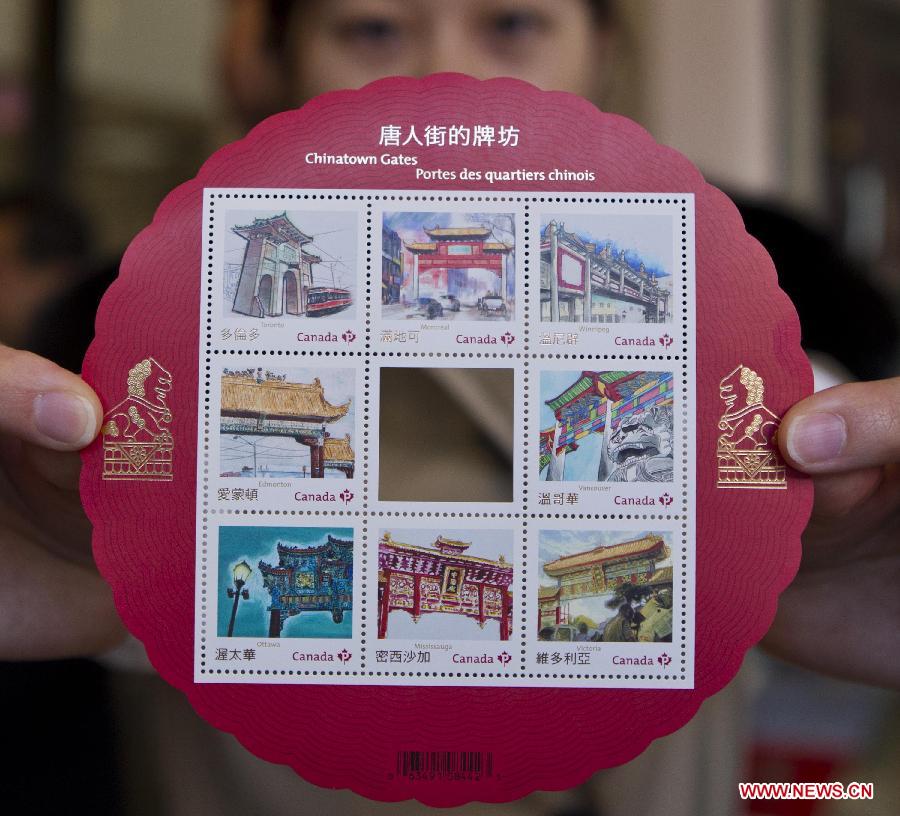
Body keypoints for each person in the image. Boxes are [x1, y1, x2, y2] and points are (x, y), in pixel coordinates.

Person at [2, 1, 898, 813]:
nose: (442, 73)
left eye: (511, 24)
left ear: (603, 49)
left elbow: (828, 746)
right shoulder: (128, 334)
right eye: (372, 30)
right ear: (276, 59)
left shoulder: (760, 308)